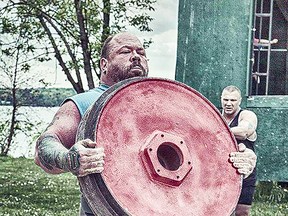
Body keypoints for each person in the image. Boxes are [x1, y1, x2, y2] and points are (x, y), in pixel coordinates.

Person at [35, 32, 257, 216]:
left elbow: (208, 153)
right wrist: (68, 158)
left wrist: (239, 161)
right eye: (125, 52)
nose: (135, 56)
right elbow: (44, 146)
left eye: (141, 52)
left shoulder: (165, 103)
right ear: (104, 64)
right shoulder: (84, 102)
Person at [221, 85, 258, 216]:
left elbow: (244, 132)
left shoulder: (247, 115)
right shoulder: (216, 117)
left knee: (242, 212)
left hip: (243, 173)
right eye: (226, 100)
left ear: (240, 101)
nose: (229, 104)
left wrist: (216, 131)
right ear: (221, 100)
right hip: (221, 173)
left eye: (233, 100)